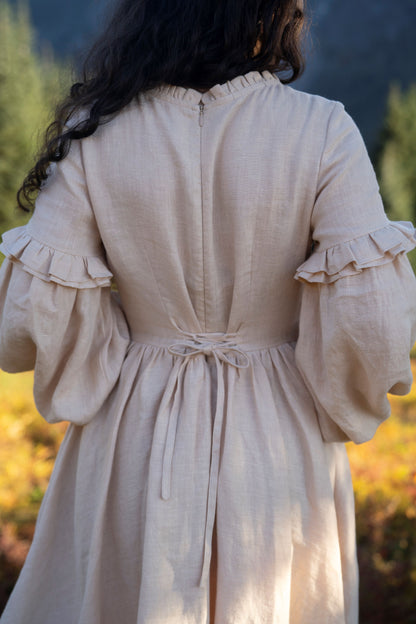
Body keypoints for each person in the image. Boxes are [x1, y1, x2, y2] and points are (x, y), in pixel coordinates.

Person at [1, 0, 416, 622]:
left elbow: (33, 318)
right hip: (276, 429)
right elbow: (371, 325)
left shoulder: (97, 128)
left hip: (132, 424)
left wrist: (121, 341)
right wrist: (344, 388)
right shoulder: (322, 129)